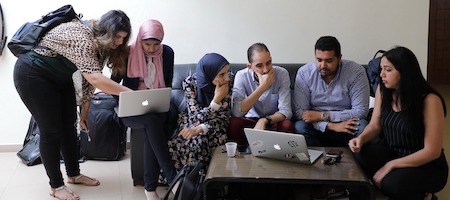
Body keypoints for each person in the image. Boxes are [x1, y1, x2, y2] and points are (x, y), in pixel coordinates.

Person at [13, 10, 132, 200]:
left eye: (123, 38)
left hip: (60, 79)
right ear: (107, 31)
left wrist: (84, 113)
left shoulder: (100, 46)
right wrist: (131, 94)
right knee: (51, 131)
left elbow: (88, 85)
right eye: (117, 36)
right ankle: (56, 186)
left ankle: (74, 174)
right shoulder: (81, 35)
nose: (119, 42)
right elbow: (95, 79)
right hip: (33, 74)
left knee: (70, 127)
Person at [348, 46, 448, 200]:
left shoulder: (429, 100)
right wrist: (361, 139)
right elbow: (375, 125)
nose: (381, 74)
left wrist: (390, 165)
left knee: (391, 184)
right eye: (381, 69)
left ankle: (425, 195)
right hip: (394, 153)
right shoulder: (383, 91)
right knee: (358, 154)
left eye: (387, 70)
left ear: (404, 72)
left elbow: (432, 151)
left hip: (425, 163)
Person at [110, 19, 177, 200]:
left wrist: (157, 96)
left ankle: (151, 187)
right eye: (147, 44)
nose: (152, 49)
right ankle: (172, 178)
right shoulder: (127, 53)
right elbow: (112, 85)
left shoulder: (167, 53)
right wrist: (127, 99)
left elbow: (168, 84)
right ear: (140, 39)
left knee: (152, 122)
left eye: (156, 44)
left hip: (156, 108)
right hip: (131, 109)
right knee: (151, 122)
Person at [293, 36, 370, 147]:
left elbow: (361, 111)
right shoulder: (304, 73)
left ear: (339, 58)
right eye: (319, 60)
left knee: (362, 126)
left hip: (346, 123)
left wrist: (323, 115)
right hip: (316, 126)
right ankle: (317, 162)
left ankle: (354, 163)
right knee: (300, 126)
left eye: (329, 61)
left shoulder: (356, 72)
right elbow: (301, 113)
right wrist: (329, 125)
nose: (323, 66)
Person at [168, 53, 233, 170]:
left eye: (227, 72)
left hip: (218, 123)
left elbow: (224, 115)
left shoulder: (229, 81)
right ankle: (189, 181)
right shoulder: (190, 83)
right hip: (192, 120)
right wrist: (215, 101)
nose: (227, 78)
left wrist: (203, 128)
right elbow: (195, 117)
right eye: (222, 74)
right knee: (192, 138)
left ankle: (211, 183)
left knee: (204, 137)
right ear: (209, 74)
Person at [229, 43, 293, 146]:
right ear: (250, 67)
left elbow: (286, 111)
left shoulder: (282, 74)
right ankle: (241, 157)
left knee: (287, 125)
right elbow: (237, 112)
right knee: (234, 123)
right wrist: (263, 86)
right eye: (259, 65)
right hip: (250, 120)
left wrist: (265, 120)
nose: (266, 69)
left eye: (268, 63)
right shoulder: (242, 76)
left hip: (272, 120)